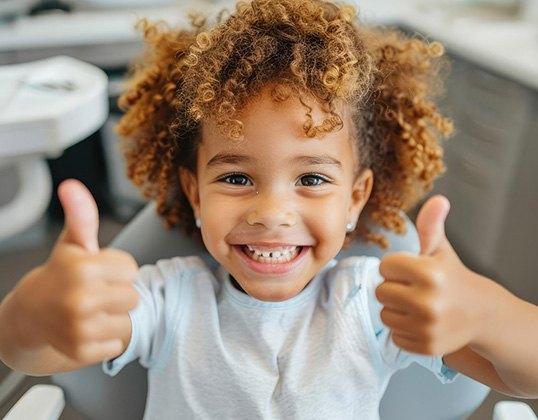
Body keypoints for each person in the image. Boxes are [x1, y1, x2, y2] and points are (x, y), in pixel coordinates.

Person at [1, 0, 537, 418]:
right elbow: (29, 353)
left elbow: (526, 374)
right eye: (236, 177)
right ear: (194, 193)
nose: (272, 211)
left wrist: (486, 313)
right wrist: (38, 311)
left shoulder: (376, 306)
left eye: (311, 178)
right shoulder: (169, 301)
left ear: (355, 197)